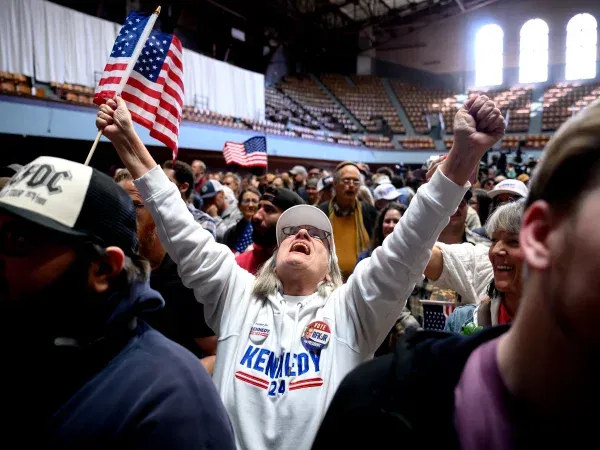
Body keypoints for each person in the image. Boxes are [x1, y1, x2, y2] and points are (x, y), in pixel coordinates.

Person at [96, 93, 504, 450]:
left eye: (315, 234)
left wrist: (463, 155)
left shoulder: (353, 308)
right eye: (290, 232)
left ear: (331, 266)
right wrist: (129, 141)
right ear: (274, 255)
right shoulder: (237, 292)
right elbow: (181, 229)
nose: (302, 234)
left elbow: (408, 244)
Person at [313, 99, 600, 450]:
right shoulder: (384, 405)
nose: (499, 253)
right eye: (499, 241)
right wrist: (456, 166)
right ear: (540, 236)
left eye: (509, 242)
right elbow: (403, 259)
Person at [0, 156, 235, 448]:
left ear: (103, 269)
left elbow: (218, 349)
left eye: (16, 240)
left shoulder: (172, 404)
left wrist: (186, 370)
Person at [116, 169, 218, 365]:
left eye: (136, 205)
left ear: (160, 212)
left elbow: (217, 352)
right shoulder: (111, 267)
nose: (124, 215)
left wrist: (171, 381)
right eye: (119, 206)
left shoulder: (186, 276)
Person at [423, 201, 525, 330]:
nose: (495, 250)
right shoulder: (461, 322)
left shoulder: (556, 325)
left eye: (513, 241)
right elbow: (421, 254)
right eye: (494, 240)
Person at [356, 203, 420, 353]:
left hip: (410, 340)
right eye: (387, 221)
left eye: (396, 221)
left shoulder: (418, 257)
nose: (391, 225)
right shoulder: (366, 258)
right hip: (375, 338)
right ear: (380, 225)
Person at [318, 161, 378, 279]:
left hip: (362, 281)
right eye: (346, 180)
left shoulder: (368, 212)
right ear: (335, 183)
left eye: (356, 181)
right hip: (327, 282)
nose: (351, 185)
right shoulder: (321, 212)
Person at [234, 186, 305, 274]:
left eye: (269, 210)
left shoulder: (306, 266)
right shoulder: (240, 265)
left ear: (292, 221)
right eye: (258, 208)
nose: (256, 216)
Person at [162, 160, 216, 238]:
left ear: (184, 187)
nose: (159, 185)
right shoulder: (151, 214)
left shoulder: (203, 222)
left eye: (166, 181)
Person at [224, 187, 261, 255]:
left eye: (254, 201)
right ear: (239, 206)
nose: (250, 205)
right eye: (246, 201)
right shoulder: (231, 232)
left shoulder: (264, 231)